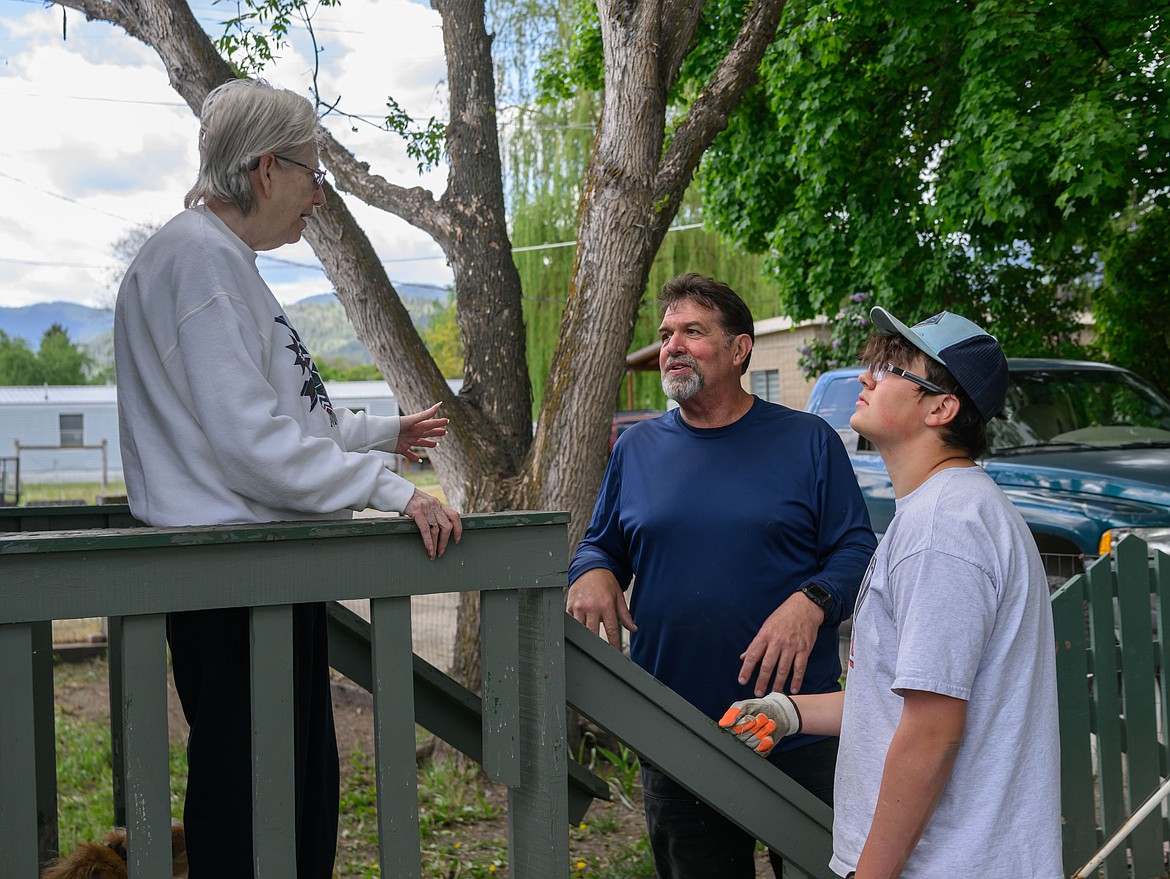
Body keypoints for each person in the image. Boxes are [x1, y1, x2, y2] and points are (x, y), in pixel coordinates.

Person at [114, 78, 462, 879]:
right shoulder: (201, 261)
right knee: (255, 809)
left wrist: (383, 438)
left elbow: (274, 417)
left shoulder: (218, 259)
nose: (319, 195)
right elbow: (250, 443)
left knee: (295, 795)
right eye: (314, 172)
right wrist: (392, 489)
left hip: (253, 568)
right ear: (266, 169)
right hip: (232, 575)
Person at [720, 308, 1063, 878]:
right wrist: (789, 711)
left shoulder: (944, 529)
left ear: (940, 408)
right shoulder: (941, 512)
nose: (865, 378)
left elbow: (931, 730)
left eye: (890, 368)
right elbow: (905, 700)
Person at [566, 273, 876, 878]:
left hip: (798, 723)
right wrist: (593, 570)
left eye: (693, 332)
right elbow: (600, 544)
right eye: (665, 334)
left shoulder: (807, 441)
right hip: (676, 726)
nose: (672, 346)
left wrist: (811, 600)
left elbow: (857, 549)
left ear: (740, 350)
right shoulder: (636, 448)